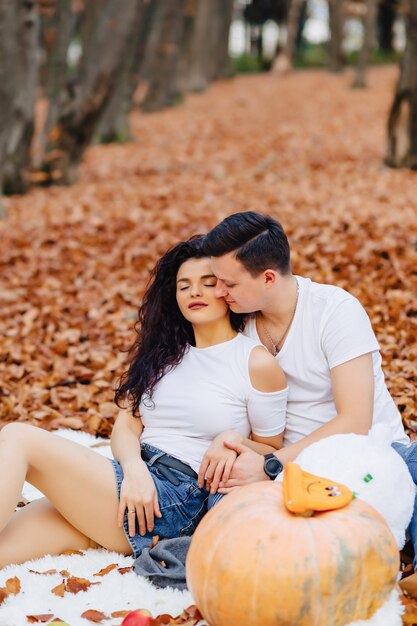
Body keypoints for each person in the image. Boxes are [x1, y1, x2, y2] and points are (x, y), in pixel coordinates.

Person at [0, 236, 287, 568]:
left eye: (208, 283)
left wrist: (235, 440)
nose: (194, 292)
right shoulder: (164, 356)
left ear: (227, 290)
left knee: (20, 437)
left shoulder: (254, 362)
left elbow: (271, 449)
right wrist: (135, 469)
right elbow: (126, 424)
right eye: (184, 286)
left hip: (176, 501)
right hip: (132, 481)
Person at [201, 210, 417, 567]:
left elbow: (355, 421)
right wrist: (237, 446)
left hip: (372, 456)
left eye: (230, 284)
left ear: (268, 277)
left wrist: (270, 464)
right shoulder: (236, 326)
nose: (219, 293)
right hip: (295, 474)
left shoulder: (334, 311)